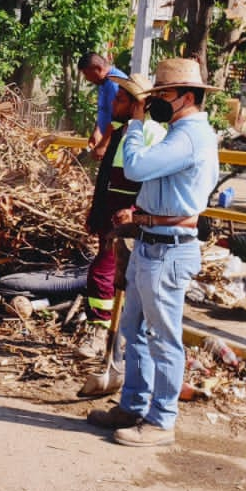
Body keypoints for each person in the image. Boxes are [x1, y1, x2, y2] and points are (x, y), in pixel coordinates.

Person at [87, 58, 221, 447]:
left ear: (185, 97)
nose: (157, 100)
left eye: (163, 94)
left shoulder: (188, 137)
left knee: (163, 338)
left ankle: (161, 421)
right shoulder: (178, 132)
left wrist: (135, 124)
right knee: (135, 332)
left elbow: (134, 167)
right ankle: (133, 406)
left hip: (168, 250)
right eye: (154, 95)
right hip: (154, 242)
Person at [74, 73, 163, 365]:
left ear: (139, 105)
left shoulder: (152, 134)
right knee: (108, 273)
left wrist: (135, 213)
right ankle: (108, 333)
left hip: (130, 220)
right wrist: (97, 212)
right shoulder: (122, 131)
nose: (114, 101)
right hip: (110, 215)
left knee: (106, 273)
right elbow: (107, 179)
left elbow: (154, 181)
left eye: (121, 99)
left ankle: (102, 333)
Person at [78, 52, 128, 160]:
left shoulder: (115, 84)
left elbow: (117, 120)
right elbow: (104, 110)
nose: (87, 79)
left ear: (98, 68)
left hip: (117, 143)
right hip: (110, 140)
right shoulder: (103, 81)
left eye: (87, 74)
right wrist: (97, 131)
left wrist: (104, 144)